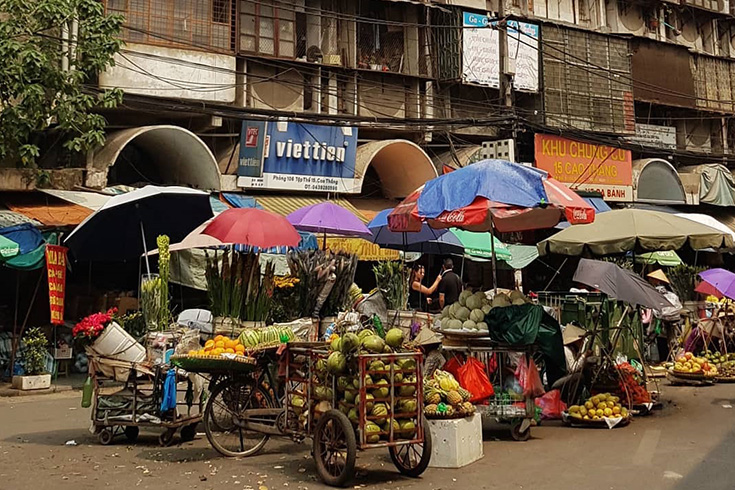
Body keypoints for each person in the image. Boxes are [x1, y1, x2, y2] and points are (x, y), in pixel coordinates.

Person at [645, 269, 682, 363]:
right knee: (665, 341)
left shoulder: (662, 294)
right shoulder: (671, 294)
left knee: (662, 340)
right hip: (664, 321)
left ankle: (664, 359)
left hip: (663, 322)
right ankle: (666, 359)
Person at [551, 323, 591, 404]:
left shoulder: (573, 350)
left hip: (566, 378)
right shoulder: (566, 350)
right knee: (579, 377)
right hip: (557, 381)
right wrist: (584, 356)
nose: (582, 342)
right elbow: (573, 369)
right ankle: (571, 403)